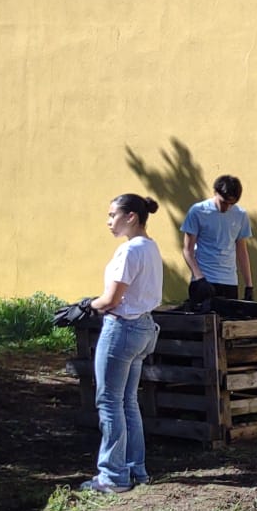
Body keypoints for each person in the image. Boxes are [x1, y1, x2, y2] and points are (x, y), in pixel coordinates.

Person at [83, 193, 164, 494]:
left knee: (109, 401)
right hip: (144, 326)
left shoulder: (129, 251)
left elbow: (112, 299)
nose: (109, 222)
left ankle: (112, 476)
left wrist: (88, 305)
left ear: (131, 217)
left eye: (112, 215)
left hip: (122, 328)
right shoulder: (151, 247)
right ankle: (135, 469)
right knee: (128, 401)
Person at [180, 175, 253, 303]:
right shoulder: (198, 211)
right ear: (215, 192)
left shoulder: (241, 215)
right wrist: (199, 278)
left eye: (232, 204)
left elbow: (242, 252)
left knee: (229, 323)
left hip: (229, 282)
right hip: (204, 280)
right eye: (224, 202)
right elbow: (187, 250)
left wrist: (249, 285)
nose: (227, 207)